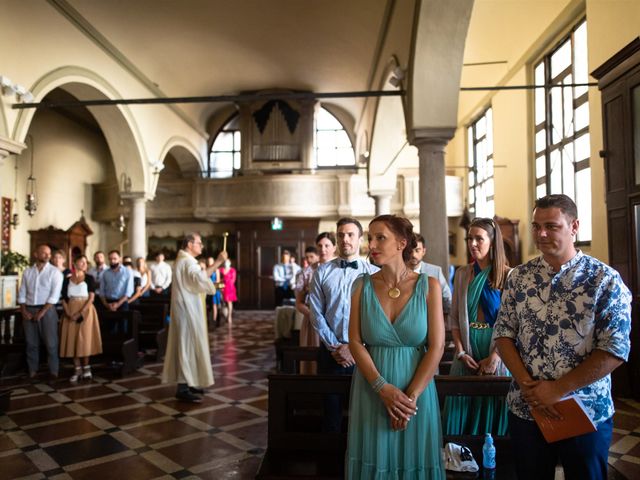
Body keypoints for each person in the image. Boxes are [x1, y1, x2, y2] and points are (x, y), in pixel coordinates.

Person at [493, 194, 631, 480]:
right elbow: (503, 333)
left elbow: (615, 349)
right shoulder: (519, 277)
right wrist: (530, 387)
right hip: (526, 406)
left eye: (552, 226)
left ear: (574, 226)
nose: (541, 234)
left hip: (585, 408)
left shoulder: (603, 279)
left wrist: (558, 389)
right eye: (536, 226)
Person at [347, 214, 445, 479]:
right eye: (370, 238)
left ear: (402, 243)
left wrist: (409, 400)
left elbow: (437, 347)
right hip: (372, 387)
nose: (372, 244)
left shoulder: (429, 286)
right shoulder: (361, 285)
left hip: (416, 389)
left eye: (381, 238)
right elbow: (355, 341)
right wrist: (382, 388)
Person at [443, 217, 511, 436]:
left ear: (492, 242)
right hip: (467, 349)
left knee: (492, 404)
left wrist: (496, 357)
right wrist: (461, 351)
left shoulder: (510, 276)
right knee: (463, 407)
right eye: (469, 238)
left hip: (497, 348)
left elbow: (514, 323)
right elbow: (454, 318)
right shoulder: (463, 274)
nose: (472, 244)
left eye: (478, 239)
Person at [309, 217, 378, 431]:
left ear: (360, 239)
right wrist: (336, 347)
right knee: (331, 413)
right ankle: (331, 460)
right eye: (341, 235)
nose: (345, 239)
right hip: (331, 353)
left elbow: (376, 317)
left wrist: (355, 348)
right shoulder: (322, 272)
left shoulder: (374, 274)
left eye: (350, 235)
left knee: (365, 412)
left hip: (366, 353)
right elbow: (316, 313)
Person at [162, 232, 227, 403]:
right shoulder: (186, 261)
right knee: (186, 345)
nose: (202, 246)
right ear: (190, 244)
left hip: (187, 309)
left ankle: (189, 382)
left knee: (189, 345)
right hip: (186, 311)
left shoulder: (184, 260)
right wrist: (219, 262)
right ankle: (183, 387)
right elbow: (198, 279)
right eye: (199, 243)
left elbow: (196, 282)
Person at [18, 244, 63, 379]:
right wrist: (23, 310)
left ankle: (53, 371)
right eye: (44, 253)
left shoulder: (55, 272)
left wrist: (42, 312)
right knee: (31, 343)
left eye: (49, 253)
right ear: (36, 254)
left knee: (51, 343)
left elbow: (54, 296)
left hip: (47, 309)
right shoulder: (27, 272)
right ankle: (33, 370)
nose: (48, 256)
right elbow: (22, 293)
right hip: (29, 309)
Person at [59, 255, 102, 382]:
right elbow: (64, 298)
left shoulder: (89, 278)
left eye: (85, 262)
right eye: (81, 261)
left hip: (86, 310)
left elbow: (91, 298)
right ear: (74, 263)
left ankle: (87, 368)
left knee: (84, 339)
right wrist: (68, 313)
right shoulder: (67, 279)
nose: (84, 264)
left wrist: (80, 313)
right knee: (72, 339)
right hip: (70, 310)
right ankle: (77, 369)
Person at [408, 233, 452, 314]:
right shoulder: (398, 272)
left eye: (417, 250)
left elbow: (447, 297)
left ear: (423, 251)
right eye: (410, 251)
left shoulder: (435, 271)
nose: (413, 255)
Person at [294, 246, 320, 374]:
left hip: (331, 319)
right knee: (311, 354)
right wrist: (313, 315)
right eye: (307, 257)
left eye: (312, 257)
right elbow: (298, 303)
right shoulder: (305, 273)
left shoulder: (331, 269)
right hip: (312, 319)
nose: (309, 260)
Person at [205, 256, 222, 327]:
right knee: (208, 306)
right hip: (208, 290)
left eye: (211, 261)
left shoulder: (216, 270)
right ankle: (208, 320)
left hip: (215, 289)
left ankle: (215, 320)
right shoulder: (206, 270)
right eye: (209, 261)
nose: (210, 262)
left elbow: (218, 280)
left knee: (215, 305)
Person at [220, 259, 237, 324]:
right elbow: (219, 279)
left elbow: (233, 280)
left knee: (229, 302)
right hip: (223, 287)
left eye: (227, 262)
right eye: (225, 262)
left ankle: (229, 316)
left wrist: (227, 281)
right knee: (223, 302)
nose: (226, 263)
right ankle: (225, 314)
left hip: (230, 288)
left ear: (230, 263)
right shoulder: (221, 270)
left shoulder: (232, 270)